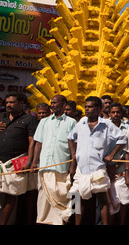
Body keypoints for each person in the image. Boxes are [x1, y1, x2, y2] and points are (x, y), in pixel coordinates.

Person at [67, 96, 127, 225]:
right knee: (76, 197)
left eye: (90, 107)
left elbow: (122, 138)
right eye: (86, 107)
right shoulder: (82, 122)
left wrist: (111, 154)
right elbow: (70, 137)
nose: (87, 109)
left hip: (98, 169)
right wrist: (74, 157)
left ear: (98, 109)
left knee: (102, 199)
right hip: (81, 169)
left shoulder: (106, 124)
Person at [31, 94, 76, 225]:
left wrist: (73, 165)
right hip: (44, 165)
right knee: (43, 195)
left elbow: (75, 145)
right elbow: (38, 143)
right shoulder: (44, 122)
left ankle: (60, 220)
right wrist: (34, 162)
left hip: (62, 166)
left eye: (55, 103)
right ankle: (43, 220)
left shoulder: (71, 122)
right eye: (51, 103)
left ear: (63, 105)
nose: (52, 105)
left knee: (62, 193)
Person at [0, 92, 38, 225]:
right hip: (0, 161)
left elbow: (32, 142)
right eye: (7, 102)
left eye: (12, 102)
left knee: (11, 194)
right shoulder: (2, 117)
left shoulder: (29, 120)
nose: (8, 105)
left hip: (16, 162)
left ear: (21, 104)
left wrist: (29, 162)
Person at [108, 102, 129, 225]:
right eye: (113, 112)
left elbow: (128, 151)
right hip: (106, 171)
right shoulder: (104, 127)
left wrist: (115, 166)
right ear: (109, 114)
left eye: (118, 112)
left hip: (122, 169)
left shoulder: (128, 129)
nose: (116, 114)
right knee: (110, 203)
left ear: (122, 113)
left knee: (124, 201)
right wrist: (108, 167)